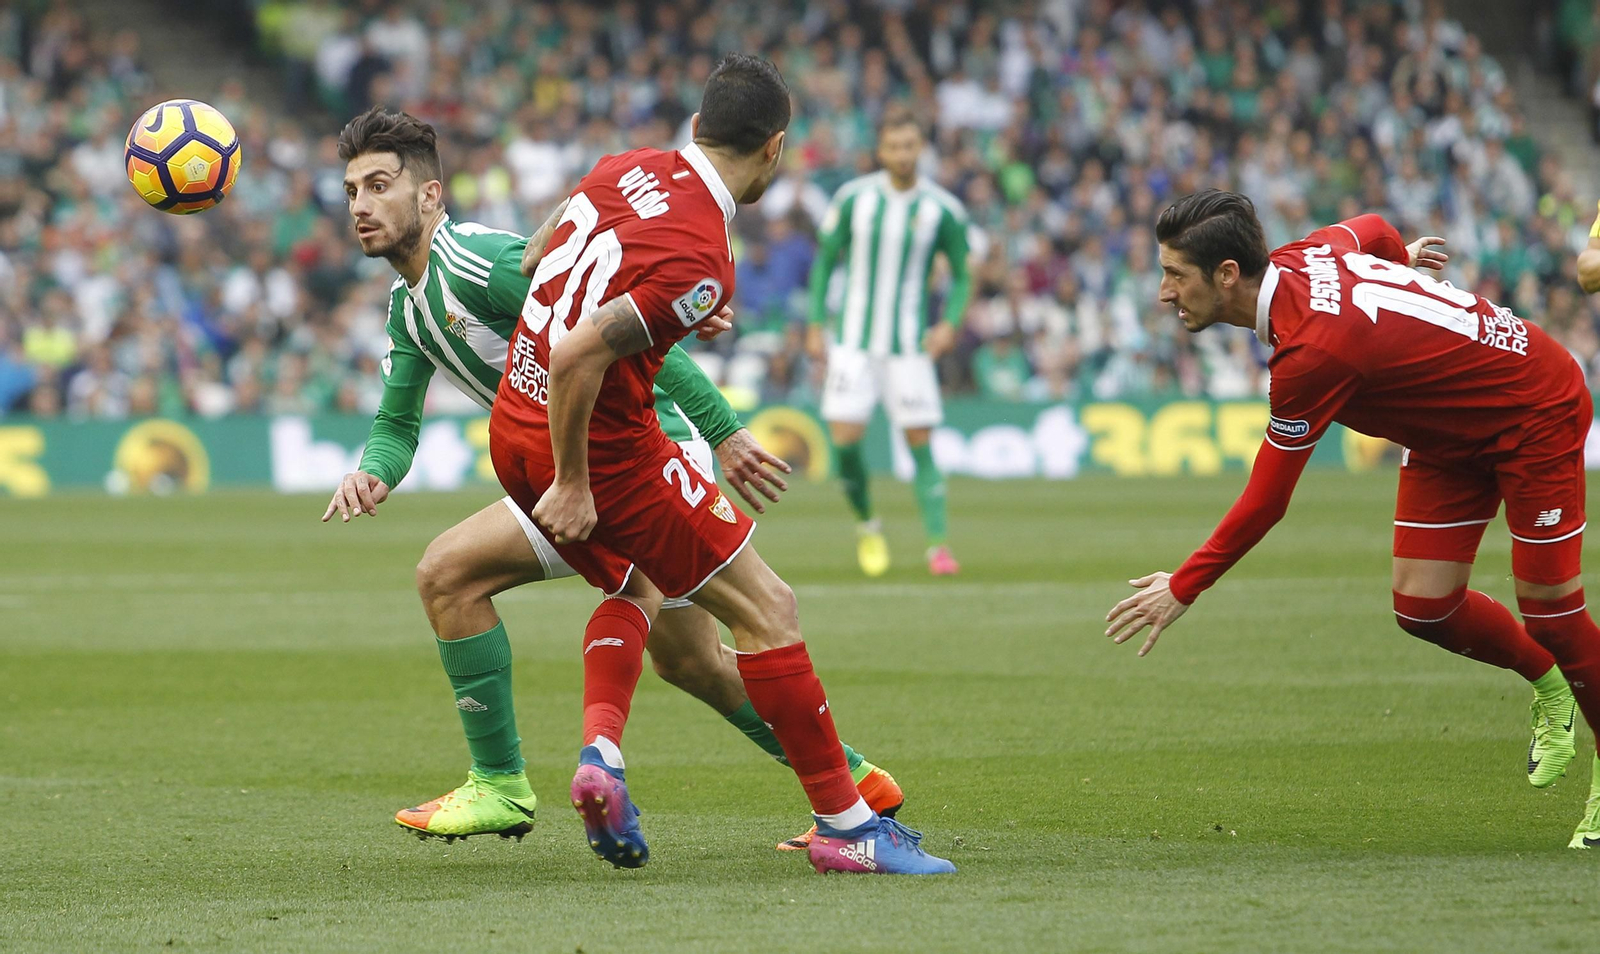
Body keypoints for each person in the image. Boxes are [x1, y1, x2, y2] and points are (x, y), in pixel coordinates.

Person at [322, 106, 906, 848]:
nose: (361, 206)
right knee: (691, 662)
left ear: (431, 195)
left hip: (644, 450)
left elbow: (614, 337)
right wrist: (371, 475)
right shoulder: (410, 310)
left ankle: (514, 780)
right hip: (568, 466)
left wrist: (722, 433)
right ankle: (856, 786)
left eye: (379, 185)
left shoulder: (482, 264)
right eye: (351, 192)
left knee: (462, 573)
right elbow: (397, 424)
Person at [490, 54, 955, 875]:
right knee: (768, 609)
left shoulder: (623, 166)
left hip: (512, 425)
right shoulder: (703, 254)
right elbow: (577, 355)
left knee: (646, 599)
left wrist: (653, 313)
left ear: (698, 124)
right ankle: (849, 828)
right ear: (773, 149)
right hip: (604, 451)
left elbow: (546, 250)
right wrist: (574, 480)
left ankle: (605, 753)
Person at [1105, 190, 1599, 849]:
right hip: (1449, 431)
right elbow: (1373, 230)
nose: (1164, 293)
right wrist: (1404, 264)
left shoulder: (1310, 352)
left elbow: (1269, 498)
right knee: (1425, 608)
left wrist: (1183, 585)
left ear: (1227, 274)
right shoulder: (1304, 254)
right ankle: (1551, 686)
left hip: (1532, 409)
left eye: (1175, 275)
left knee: (1553, 614)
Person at [805, 108, 973, 578]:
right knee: (844, 445)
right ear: (880, 151)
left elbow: (962, 275)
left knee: (920, 443)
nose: (902, 155)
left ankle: (938, 546)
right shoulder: (853, 199)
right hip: (853, 343)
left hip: (907, 347)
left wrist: (950, 323)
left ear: (921, 149)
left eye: (910, 146)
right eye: (894, 146)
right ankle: (867, 524)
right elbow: (824, 263)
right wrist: (815, 322)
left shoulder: (942, 209)